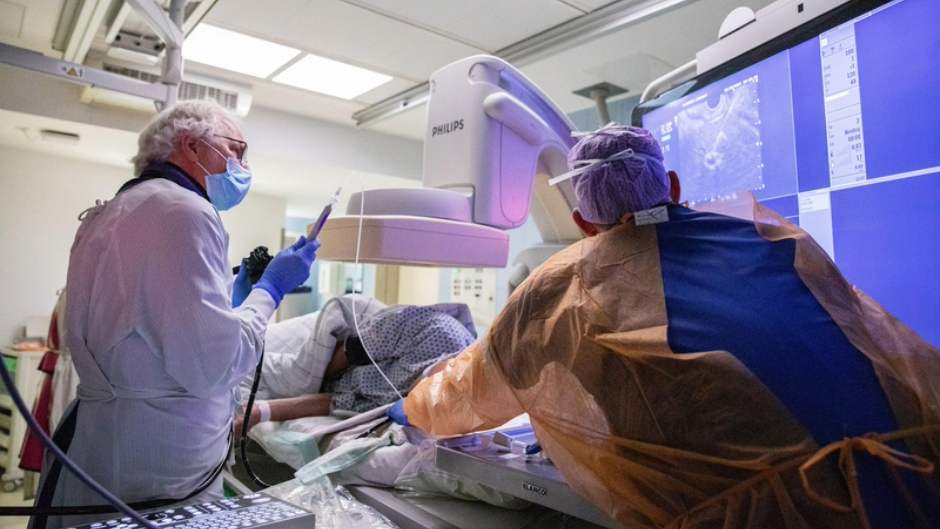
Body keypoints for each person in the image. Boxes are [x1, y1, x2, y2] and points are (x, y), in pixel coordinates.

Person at [389, 124, 940, 529]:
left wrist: (415, 405)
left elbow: (466, 397)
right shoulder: (776, 237)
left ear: (583, 223)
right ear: (672, 185)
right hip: (914, 475)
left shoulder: (564, 283)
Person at [38, 100, 320, 527]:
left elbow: (152, 328)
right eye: (236, 149)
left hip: (108, 439)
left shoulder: (117, 210)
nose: (243, 164)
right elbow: (214, 363)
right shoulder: (184, 212)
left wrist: (234, 303)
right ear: (192, 145)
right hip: (156, 460)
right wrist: (270, 290)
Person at [236, 299, 476, 432]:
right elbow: (350, 351)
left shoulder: (410, 406)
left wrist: (261, 411)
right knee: (243, 357)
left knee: (240, 387)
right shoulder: (437, 332)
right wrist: (307, 378)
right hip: (336, 340)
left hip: (340, 379)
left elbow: (337, 401)